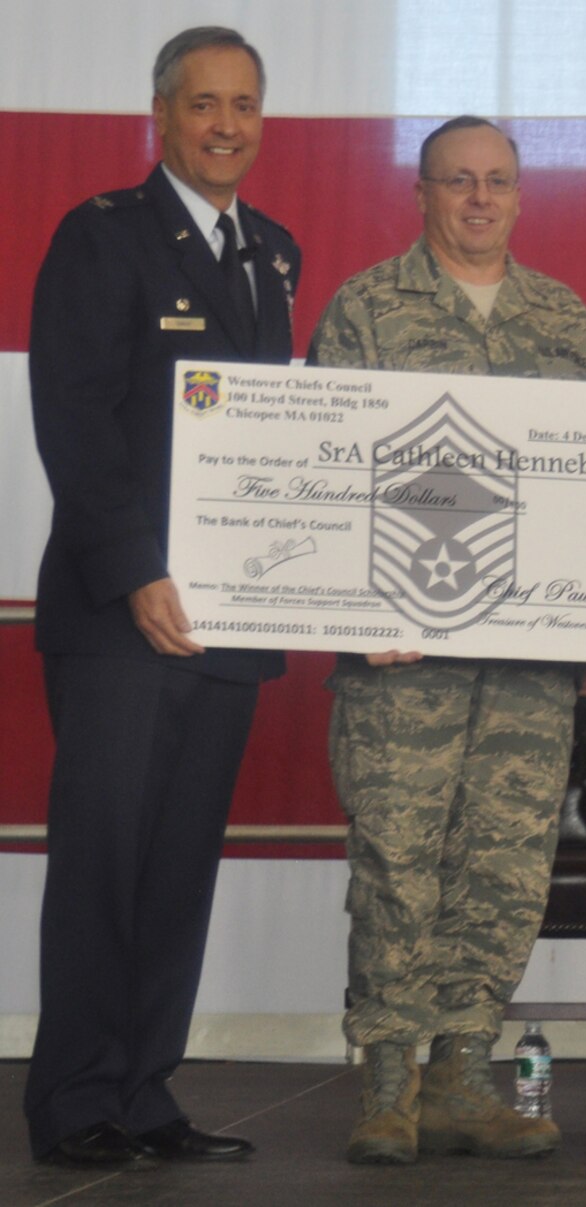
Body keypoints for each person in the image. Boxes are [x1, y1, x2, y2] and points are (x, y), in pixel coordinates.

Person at [309, 115, 586, 1166]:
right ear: (422, 192)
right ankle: (387, 1087)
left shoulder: (563, 321)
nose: (479, 199)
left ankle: (463, 1077)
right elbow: (324, 479)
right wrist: (352, 613)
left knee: (503, 865)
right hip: (402, 659)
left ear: (520, 196)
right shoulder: (367, 310)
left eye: (497, 182)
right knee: (398, 862)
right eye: (458, 181)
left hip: (526, 665)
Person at [23, 26, 294, 1167]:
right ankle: (78, 1098)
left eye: (242, 105)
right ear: (161, 115)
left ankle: (144, 1091)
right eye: (203, 106)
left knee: (178, 864)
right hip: (120, 616)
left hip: (228, 620)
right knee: (104, 861)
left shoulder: (272, 250)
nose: (224, 125)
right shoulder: (103, 240)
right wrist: (138, 566)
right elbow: (74, 421)